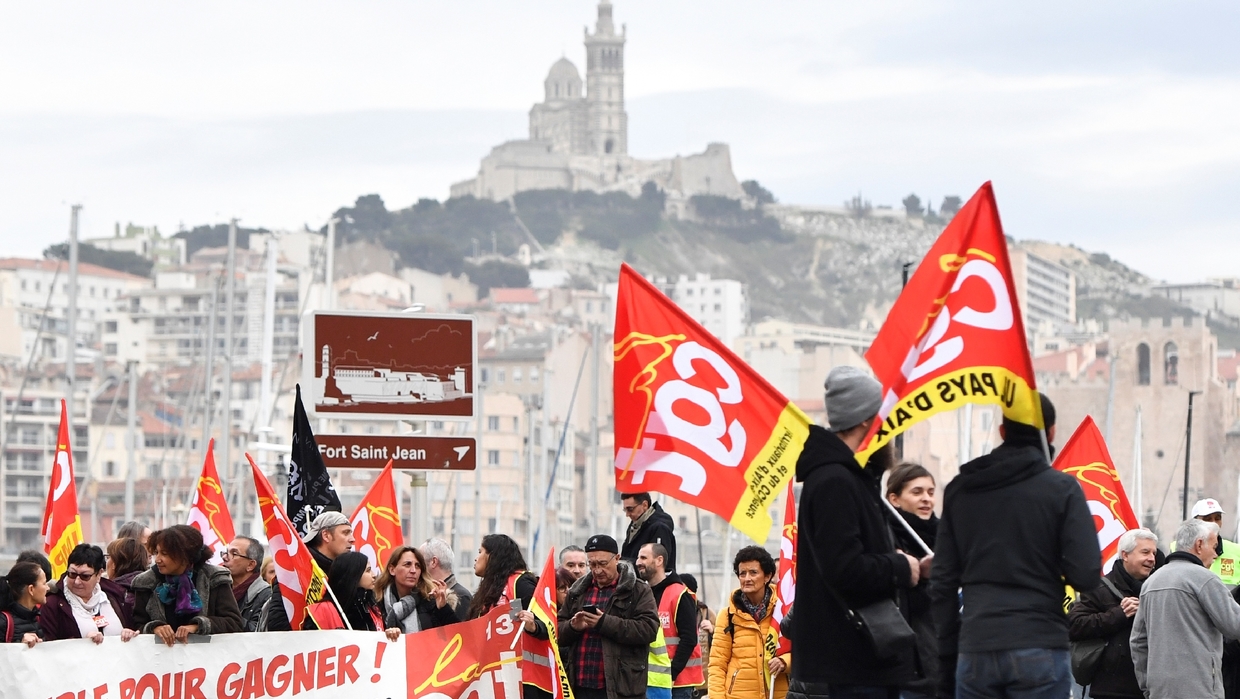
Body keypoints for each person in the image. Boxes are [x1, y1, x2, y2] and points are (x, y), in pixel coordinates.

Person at [932, 394, 1102, 699]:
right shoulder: (1061, 490)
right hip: (1039, 641)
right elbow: (1087, 574)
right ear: (1050, 433)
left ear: (1002, 431)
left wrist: (946, 649)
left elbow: (942, 579)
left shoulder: (962, 488)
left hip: (976, 644)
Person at [789, 366, 923, 699]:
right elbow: (845, 568)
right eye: (883, 417)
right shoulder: (836, 481)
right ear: (867, 420)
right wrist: (901, 567)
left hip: (860, 656)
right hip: (854, 656)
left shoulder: (845, 477)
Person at [1132, 519, 1240, 699]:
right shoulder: (1206, 580)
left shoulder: (1151, 582)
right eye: (1214, 547)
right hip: (1200, 689)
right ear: (1199, 545)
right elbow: (1235, 625)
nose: (1215, 555)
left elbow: (1137, 641)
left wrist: (1148, 686)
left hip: (1160, 690)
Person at [559, 534, 660, 699]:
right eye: (592, 564)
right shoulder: (577, 591)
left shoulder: (638, 590)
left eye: (603, 564)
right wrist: (572, 627)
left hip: (620, 687)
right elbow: (557, 630)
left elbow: (648, 629)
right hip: (578, 685)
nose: (597, 570)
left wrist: (603, 622)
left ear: (617, 558)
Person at [1067, 528, 1159, 699]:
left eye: (1154, 553)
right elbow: (1074, 626)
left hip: (1150, 688)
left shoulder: (1157, 589)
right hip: (1111, 689)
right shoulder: (1100, 588)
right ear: (1125, 555)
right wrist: (1119, 614)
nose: (1152, 559)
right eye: (1145, 552)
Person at [129, 524, 243, 644]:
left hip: (206, 659)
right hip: (160, 658)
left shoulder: (214, 578)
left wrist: (197, 626)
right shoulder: (146, 582)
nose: (157, 559)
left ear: (185, 556)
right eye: (157, 553)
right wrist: (155, 628)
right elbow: (136, 625)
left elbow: (233, 623)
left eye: (165, 554)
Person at [885, 462, 939, 699]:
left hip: (941, 662)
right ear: (894, 499)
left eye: (930, 492)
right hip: (903, 664)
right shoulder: (884, 539)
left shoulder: (944, 537)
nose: (926, 499)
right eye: (916, 492)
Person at [709, 546, 790, 699]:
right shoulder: (727, 616)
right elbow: (717, 665)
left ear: (767, 576)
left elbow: (801, 652)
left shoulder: (782, 612)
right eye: (742, 573)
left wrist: (784, 661)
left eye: (753, 572)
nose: (747, 579)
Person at [260, 510, 353, 631]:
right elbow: (278, 624)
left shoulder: (346, 572)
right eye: (345, 533)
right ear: (326, 535)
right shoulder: (295, 573)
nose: (352, 539)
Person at [638, 543, 704, 699]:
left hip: (678, 683)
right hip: (652, 681)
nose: (637, 562)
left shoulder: (680, 594)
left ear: (659, 560)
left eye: (643, 557)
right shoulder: (644, 593)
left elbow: (689, 639)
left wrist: (672, 674)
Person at [39, 543, 133, 643]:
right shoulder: (52, 604)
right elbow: (49, 648)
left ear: (99, 574)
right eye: (72, 574)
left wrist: (129, 633)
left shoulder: (114, 597)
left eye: (85, 576)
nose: (77, 581)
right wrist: (81, 642)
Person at [376, 546, 459, 635]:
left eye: (417, 566)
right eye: (407, 564)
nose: (413, 570)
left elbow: (455, 636)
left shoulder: (430, 600)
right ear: (392, 570)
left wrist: (443, 608)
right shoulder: (377, 604)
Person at [305, 551, 385, 632]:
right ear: (353, 575)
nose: (374, 575)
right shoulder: (321, 612)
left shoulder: (373, 607)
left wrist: (390, 634)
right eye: (368, 570)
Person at [469, 534, 538, 619]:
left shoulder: (520, 583)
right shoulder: (486, 588)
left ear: (493, 556)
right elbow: (468, 629)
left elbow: (539, 621)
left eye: (480, 552)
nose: (476, 558)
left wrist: (534, 627)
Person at [223, 536, 271, 632]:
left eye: (234, 554)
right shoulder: (219, 589)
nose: (224, 557)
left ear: (250, 565)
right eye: (226, 552)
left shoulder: (266, 595)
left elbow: (257, 632)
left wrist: (224, 614)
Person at [619, 493, 677, 571]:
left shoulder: (659, 528)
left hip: (651, 582)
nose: (627, 514)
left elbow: (655, 565)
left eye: (630, 509)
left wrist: (622, 562)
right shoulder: (635, 525)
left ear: (645, 505)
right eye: (625, 510)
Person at [421, 537, 473, 621]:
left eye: (420, 561)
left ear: (433, 562)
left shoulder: (461, 596)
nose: (415, 568)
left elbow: (460, 632)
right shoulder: (425, 595)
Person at [1192, 498, 1240, 587]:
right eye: (1208, 519)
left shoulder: (1237, 551)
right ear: (1195, 522)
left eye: (1217, 518)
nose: (1214, 523)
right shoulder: (1178, 549)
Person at [1, 562, 48, 646]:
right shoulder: (4, 622)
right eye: (44, 583)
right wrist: (20, 644)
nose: (48, 588)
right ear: (31, 589)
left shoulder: (37, 617)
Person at [106, 536, 150, 611]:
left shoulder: (112, 596)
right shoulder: (152, 588)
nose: (106, 563)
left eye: (108, 557)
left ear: (114, 563)